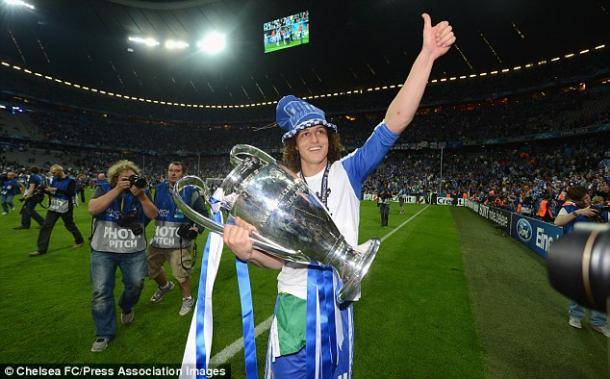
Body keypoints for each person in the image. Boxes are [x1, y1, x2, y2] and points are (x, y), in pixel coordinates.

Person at [223, 13, 455, 378]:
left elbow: (396, 119)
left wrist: (426, 56)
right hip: (294, 307)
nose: (314, 139)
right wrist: (248, 251)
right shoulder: (276, 193)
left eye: (320, 131)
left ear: (329, 137)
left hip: (338, 306)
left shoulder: (349, 171)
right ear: (293, 144)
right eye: (305, 134)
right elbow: (279, 261)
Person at [87, 160, 158, 352]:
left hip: (133, 251)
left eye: (131, 177)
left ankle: (126, 306)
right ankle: (103, 333)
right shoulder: (103, 188)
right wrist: (117, 190)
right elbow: (93, 209)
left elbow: (153, 214)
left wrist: (142, 196)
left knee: (136, 285)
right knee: (101, 292)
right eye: (123, 178)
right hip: (103, 249)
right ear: (115, 178)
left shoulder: (141, 191)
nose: (128, 181)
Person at [148, 161, 208, 316]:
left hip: (179, 243)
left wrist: (197, 227)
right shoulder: (159, 188)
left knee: (180, 274)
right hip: (159, 239)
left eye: (177, 170)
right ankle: (165, 286)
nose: (173, 173)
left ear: (183, 173)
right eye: (170, 170)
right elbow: (154, 211)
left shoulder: (191, 191)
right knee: (150, 269)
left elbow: (203, 213)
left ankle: (187, 299)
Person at [554, 185, 610, 337]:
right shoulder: (569, 208)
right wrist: (579, 212)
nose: (587, 200)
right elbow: (557, 222)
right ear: (575, 201)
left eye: (587, 196)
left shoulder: (599, 209)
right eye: (583, 199)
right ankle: (575, 316)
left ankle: (598, 323)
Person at [28, 165, 84, 257]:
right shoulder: (54, 179)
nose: (52, 174)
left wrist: (56, 189)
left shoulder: (71, 181)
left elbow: (71, 193)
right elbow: (53, 193)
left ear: (60, 171)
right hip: (54, 205)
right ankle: (41, 249)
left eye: (54, 172)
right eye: (52, 172)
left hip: (66, 206)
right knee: (46, 226)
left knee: (69, 225)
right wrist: (45, 190)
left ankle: (79, 240)